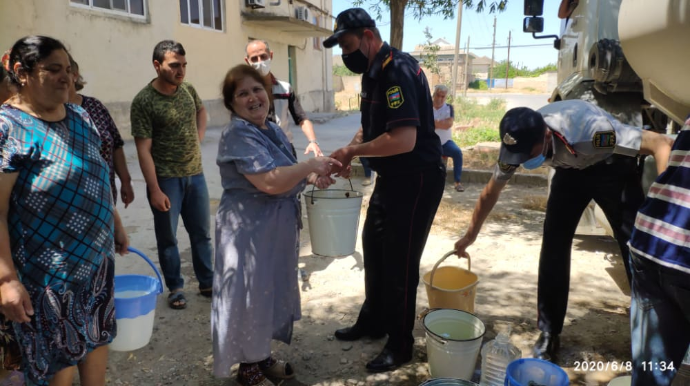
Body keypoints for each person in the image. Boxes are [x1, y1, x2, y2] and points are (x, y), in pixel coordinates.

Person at [453, 99, 673, 362]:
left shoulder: (593, 132)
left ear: (547, 135)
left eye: (528, 156)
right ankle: (549, 332)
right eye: (519, 157)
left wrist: (665, 204)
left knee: (637, 251)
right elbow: (491, 192)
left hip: (611, 167)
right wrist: (470, 235)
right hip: (569, 173)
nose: (522, 162)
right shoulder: (518, 144)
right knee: (553, 249)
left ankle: (655, 333)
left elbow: (660, 144)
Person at [0, 35, 128, 386]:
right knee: (57, 361)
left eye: (69, 70)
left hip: (95, 264)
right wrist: (6, 279)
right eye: (53, 70)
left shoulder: (80, 115)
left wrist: (114, 221)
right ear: (21, 73)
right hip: (47, 278)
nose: (66, 78)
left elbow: (97, 175)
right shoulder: (7, 128)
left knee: (97, 335)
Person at [323, 8, 446, 372]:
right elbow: (371, 129)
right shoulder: (373, 74)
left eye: (347, 45)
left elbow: (404, 139)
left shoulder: (398, 71)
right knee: (374, 247)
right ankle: (373, 320)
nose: (346, 55)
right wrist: (349, 151)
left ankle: (401, 341)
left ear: (368, 35)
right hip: (392, 177)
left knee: (400, 260)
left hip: (417, 177)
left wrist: (354, 152)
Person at [212, 64, 340, 386]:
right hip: (248, 232)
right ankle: (249, 368)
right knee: (250, 296)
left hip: (272, 230)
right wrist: (310, 165)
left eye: (257, 90)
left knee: (267, 293)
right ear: (231, 103)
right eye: (242, 93)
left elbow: (285, 170)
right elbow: (269, 181)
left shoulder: (271, 128)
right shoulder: (238, 133)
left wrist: (314, 176)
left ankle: (260, 355)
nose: (253, 98)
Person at [131, 40, 213, 310]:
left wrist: (198, 136)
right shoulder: (144, 101)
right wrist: (154, 189)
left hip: (196, 175)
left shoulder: (187, 89)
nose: (181, 71)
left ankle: (207, 282)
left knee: (201, 233)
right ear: (157, 65)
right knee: (168, 238)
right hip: (166, 179)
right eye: (174, 65)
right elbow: (143, 149)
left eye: (184, 65)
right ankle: (176, 288)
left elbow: (201, 110)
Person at [628, 115, 690, 386]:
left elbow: (658, 142)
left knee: (650, 374)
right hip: (676, 251)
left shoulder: (588, 130)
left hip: (652, 236)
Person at [68, 56, 134, 207]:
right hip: (70, 198)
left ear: (75, 74)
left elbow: (116, 144)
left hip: (105, 193)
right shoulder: (49, 113)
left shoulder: (94, 106)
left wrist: (126, 181)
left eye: (66, 70)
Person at [245, 40, 322, 158]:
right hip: (258, 150)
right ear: (247, 61)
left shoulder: (285, 89)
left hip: (285, 149)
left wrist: (313, 142)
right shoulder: (244, 93)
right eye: (254, 59)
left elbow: (302, 119)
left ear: (270, 56)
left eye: (263, 56)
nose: (260, 62)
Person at [433, 84, 464, 192]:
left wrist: (433, 123)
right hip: (431, 143)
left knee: (457, 153)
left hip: (445, 143)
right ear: (434, 95)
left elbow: (448, 125)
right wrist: (440, 122)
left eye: (443, 96)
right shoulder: (427, 107)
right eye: (438, 95)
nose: (440, 98)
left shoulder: (448, 108)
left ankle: (457, 182)